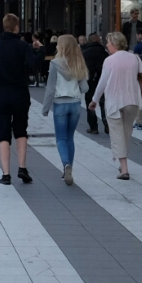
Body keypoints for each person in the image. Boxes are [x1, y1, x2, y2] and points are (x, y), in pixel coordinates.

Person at [0, 13, 43, 186]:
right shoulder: (23, 46)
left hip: (1, 93)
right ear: (16, 27)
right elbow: (34, 64)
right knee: (21, 129)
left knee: (3, 132)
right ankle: (22, 167)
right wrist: (41, 50)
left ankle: (6, 173)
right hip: (20, 92)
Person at [91, 30, 142, 182]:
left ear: (114, 44)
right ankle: (123, 164)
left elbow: (102, 83)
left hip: (114, 102)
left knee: (116, 135)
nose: (107, 46)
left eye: (108, 43)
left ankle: (124, 168)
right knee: (126, 133)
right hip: (132, 101)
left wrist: (95, 100)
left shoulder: (109, 61)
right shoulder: (135, 58)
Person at [48, 34, 89, 187]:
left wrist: (45, 108)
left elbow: (50, 87)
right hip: (75, 103)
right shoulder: (79, 62)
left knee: (60, 138)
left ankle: (66, 164)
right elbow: (85, 87)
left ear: (62, 46)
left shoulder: (54, 63)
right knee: (70, 138)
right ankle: (69, 168)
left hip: (60, 103)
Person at [80, 32, 108, 136]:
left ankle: (93, 127)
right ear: (98, 40)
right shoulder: (104, 52)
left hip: (89, 80)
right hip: (103, 80)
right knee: (103, 102)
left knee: (90, 102)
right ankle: (106, 120)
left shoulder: (84, 53)